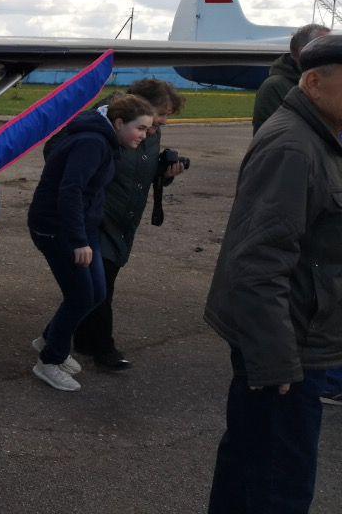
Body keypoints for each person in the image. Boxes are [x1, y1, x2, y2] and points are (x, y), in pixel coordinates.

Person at [205, 35, 342, 514]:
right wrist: (276, 359)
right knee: (279, 482)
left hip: (296, 331)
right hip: (289, 347)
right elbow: (259, 261)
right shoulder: (293, 147)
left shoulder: (321, 134)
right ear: (314, 83)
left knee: (250, 462)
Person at [26, 94, 156, 391]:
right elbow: (70, 191)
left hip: (84, 228)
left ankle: (50, 339)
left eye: (148, 129)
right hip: (57, 229)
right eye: (140, 128)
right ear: (119, 123)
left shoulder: (107, 141)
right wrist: (78, 241)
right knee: (82, 294)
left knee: (96, 292)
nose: (145, 135)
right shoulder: (92, 143)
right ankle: (49, 361)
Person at [72, 80, 187, 370]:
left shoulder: (149, 132)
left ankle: (81, 339)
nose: (162, 123)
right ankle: (103, 349)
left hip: (123, 220)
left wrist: (165, 173)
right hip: (99, 219)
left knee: (96, 284)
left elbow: (138, 169)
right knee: (102, 286)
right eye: (162, 114)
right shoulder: (104, 127)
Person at [252, 23, 330, 132]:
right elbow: (272, 136)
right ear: (303, 51)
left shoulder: (327, 83)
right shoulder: (274, 87)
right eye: (325, 48)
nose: (331, 55)